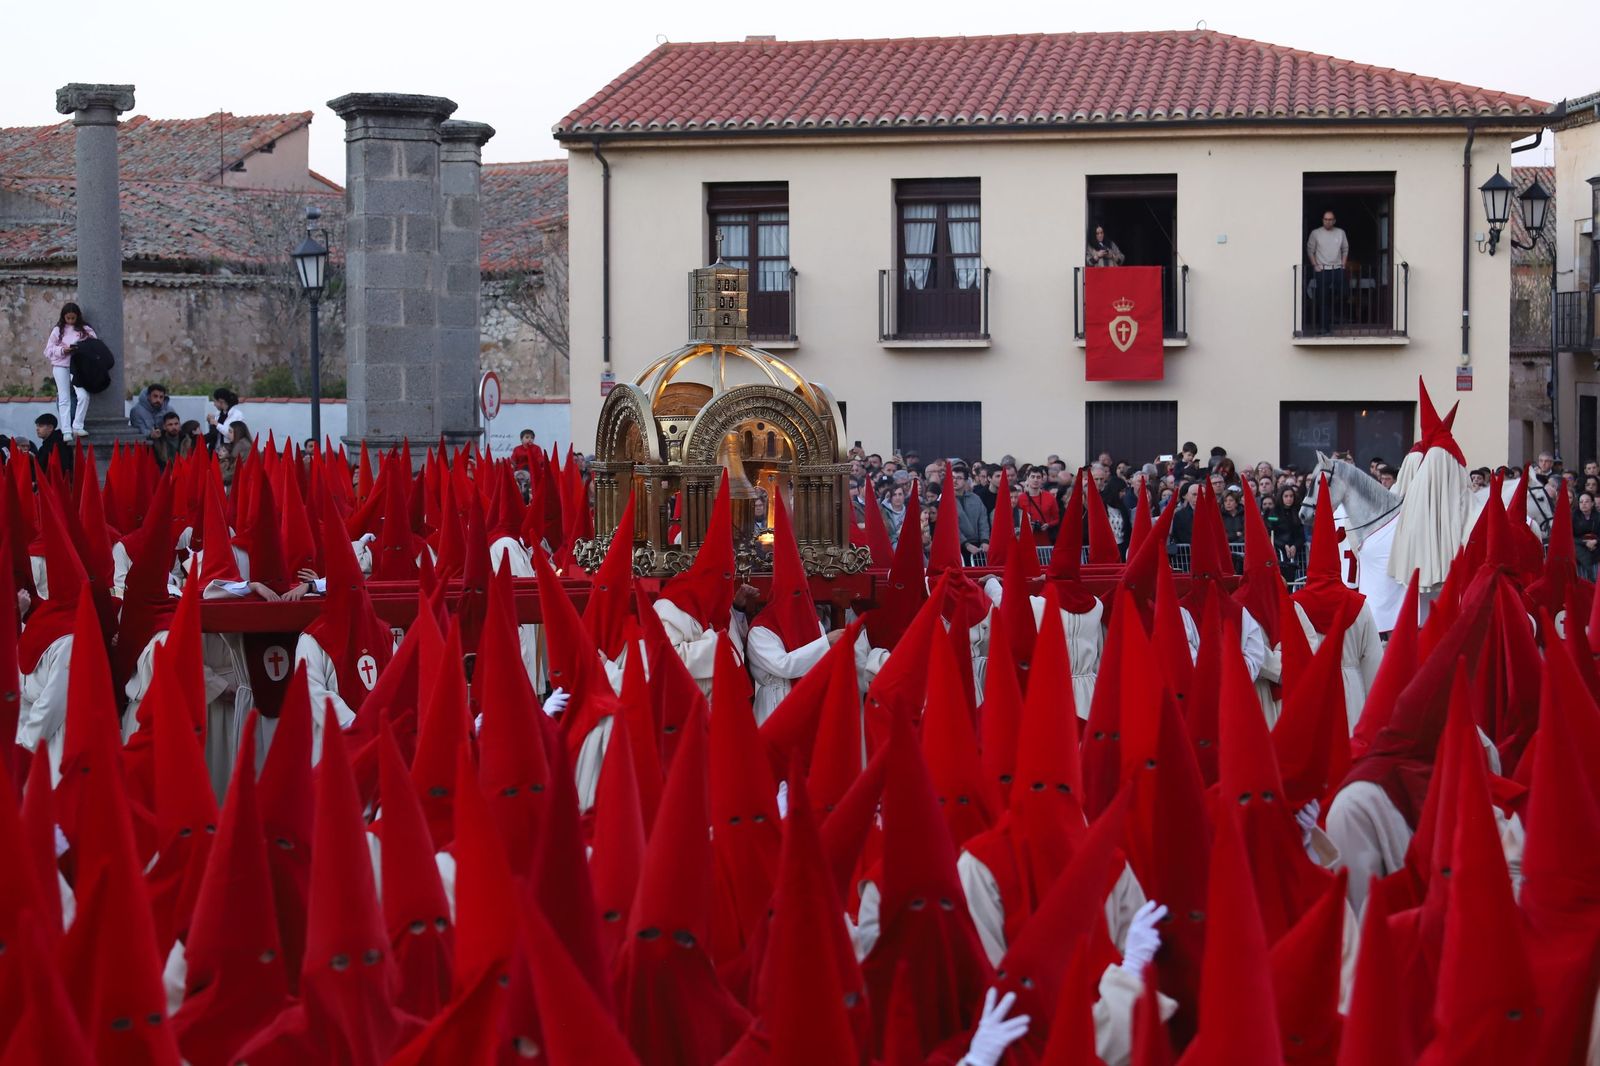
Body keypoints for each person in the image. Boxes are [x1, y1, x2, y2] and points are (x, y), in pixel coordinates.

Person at [43, 302, 94, 440]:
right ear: (63, 317)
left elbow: (95, 346)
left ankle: (77, 426)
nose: (71, 321)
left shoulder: (86, 329)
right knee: (64, 398)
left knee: (83, 395)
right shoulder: (58, 330)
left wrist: (80, 349)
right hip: (60, 366)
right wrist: (62, 350)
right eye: (68, 318)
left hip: (78, 366)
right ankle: (66, 430)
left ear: (78, 316)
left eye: (73, 318)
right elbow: (47, 351)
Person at [1306, 209, 1349, 334]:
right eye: (1325, 219)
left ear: (1334, 221)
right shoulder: (1316, 233)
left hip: (1337, 269)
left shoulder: (1340, 232)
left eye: (1330, 219)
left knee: (1344, 292)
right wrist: (1315, 265)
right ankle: (1325, 328)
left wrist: (1343, 264)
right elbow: (1310, 250)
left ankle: (1337, 317)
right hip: (1322, 270)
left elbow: (1345, 249)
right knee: (1323, 299)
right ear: (1322, 220)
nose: (1328, 222)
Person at [947, 463, 990, 563]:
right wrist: (965, 544)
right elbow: (950, 526)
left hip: (978, 546)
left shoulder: (975, 499)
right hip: (957, 547)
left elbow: (983, 521)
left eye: (959, 478)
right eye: (952, 477)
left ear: (966, 481)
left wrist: (985, 541)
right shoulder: (945, 500)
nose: (954, 481)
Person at [1016, 465, 1059, 541]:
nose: (1035, 480)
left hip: (1045, 541)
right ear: (1027, 479)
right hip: (1025, 541)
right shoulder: (1019, 498)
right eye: (1032, 477)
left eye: (1038, 477)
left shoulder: (1050, 497)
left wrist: (1048, 525)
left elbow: (1057, 519)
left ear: (1042, 480)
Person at [205, 387, 245, 452]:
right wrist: (210, 422)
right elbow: (214, 434)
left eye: (215, 401)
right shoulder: (218, 414)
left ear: (221, 401)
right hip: (216, 452)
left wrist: (216, 424)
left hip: (230, 452)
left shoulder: (237, 415)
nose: (214, 404)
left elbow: (233, 435)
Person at [1575, 492, 1600, 574]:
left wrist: (1595, 541)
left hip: (1597, 554)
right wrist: (1584, 543)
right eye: (1581, 502)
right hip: (1579, 555)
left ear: (1592, 503)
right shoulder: (1573, 517)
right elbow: (1569, 537)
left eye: (1587, 501)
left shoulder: (1598, 516)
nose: (1584, 504)